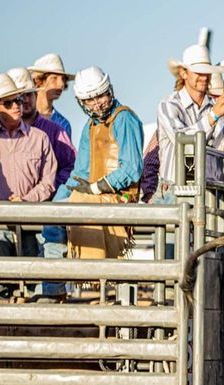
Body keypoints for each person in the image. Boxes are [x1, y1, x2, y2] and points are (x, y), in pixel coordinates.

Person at [0, 73, 57, 298]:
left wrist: (27, 200)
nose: (18, 106)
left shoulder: (40, 138)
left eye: (18, 100)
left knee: (33, 281)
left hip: (31, 218)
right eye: (10, 102)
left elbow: (48, 180)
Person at [54, 66, 144, 260]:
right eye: (89, 100)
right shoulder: (91, 126)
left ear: (109, 91)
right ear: (81, 101)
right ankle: (55, 283)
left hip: (121, 197)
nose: (96, 104)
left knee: (80, 202)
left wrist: (96, 188)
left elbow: (132, 168)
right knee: (54, 216)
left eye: (100, 97)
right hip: (98, 195)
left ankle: (90, 268)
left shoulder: (124, 118)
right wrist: (54, 205)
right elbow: (80, 174)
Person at [140, 63, 224, 202]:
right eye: (216, 96)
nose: (218, 100)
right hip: (181, 190)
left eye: (220, 96)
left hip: (211, 192)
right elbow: (151, 160)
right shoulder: (174, 112)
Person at [153, 44, 224, 204]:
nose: (204, 77)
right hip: (173, 190)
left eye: (207, 73)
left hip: (204, 191)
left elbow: (221, 151)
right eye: (199, 72)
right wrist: (214, 115)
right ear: (184, 73)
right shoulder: (169, 105)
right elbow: (182, 141)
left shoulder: (215, 108)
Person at [6, 67, 75, 189]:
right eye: (19, 97)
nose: (25, 100)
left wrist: (51, 189)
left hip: (44, 203)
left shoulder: (56, 130)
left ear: (35, 94)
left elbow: (70, 166)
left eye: (29, 94)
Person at [28, 53, 75, 139]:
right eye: (54, 78)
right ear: (38, 81)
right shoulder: (23, 118)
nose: (61, 84)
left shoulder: (63, 123)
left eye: (63, 79)